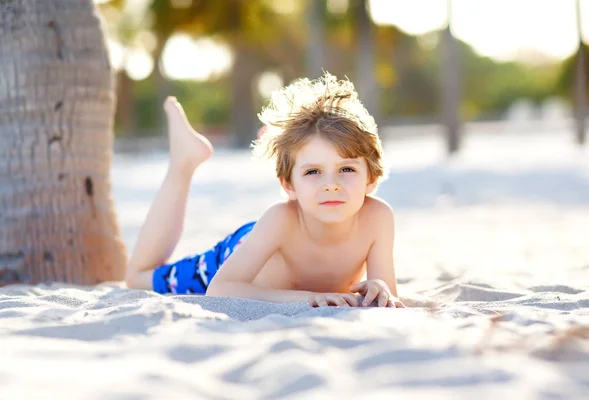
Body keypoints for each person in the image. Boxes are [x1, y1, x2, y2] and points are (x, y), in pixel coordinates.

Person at [125, 73, 404, 308]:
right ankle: (183, 163)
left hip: (269, 242)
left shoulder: (377, 218)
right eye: (312, 172)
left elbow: (387, 296)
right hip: (242, 250)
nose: (331, 184)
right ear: (288, 185)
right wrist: (308, 299)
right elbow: (221, 289)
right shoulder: (280, 219)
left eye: (346, 169)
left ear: (371, 178)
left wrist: (379, 287)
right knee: (137, 279)